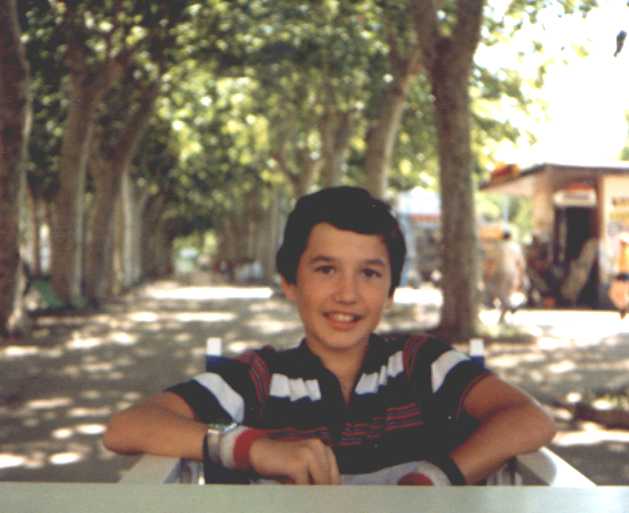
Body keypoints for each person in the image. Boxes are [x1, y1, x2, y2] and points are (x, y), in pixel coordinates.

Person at [104, 186, 555, 486]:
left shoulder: (421, 362)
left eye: (370, 274)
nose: (347, 294)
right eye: (325, 270)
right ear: (290, 283)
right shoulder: (259, 377)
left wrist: (433, 482)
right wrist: (252, 447)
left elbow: (532, 419)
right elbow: (126, 427)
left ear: (391, 291)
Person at [486, 229, 527, 323]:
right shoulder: (515, 247)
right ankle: (503, 315)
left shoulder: (497, 247)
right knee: (506, 294)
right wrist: (520, 276)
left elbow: (490, 261)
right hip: (512, 273)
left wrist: (488, 273)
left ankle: (509, 307)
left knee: (500, 293)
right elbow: (520, 263)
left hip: (499, 272)